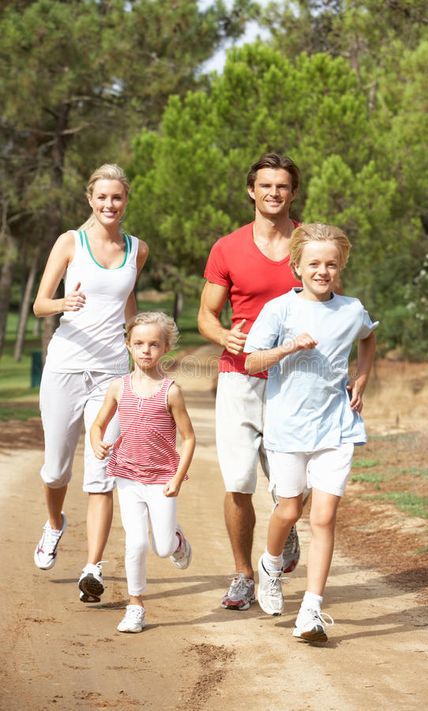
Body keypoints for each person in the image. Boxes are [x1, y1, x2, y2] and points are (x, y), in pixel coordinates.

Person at [244, 222, 377, 643]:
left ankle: (312, 611)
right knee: (288, 510)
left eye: (332, 264)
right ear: (296, 264)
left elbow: (368, 339)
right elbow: (251, 362)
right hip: (287, 426)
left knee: (324, 516)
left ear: (341, 267)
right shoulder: (280, 310)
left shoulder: (352, 309)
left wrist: (362, 377)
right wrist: (288, 348)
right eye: (314, 263)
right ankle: (270, 564)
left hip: (336, 426)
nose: (323, 271)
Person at [33, 163, 149, 603]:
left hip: (110, 373)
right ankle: (54, 523)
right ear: (90, 199)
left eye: (116, 197)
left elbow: (128, 302)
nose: (109, 204)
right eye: (102, 197)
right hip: (65, 366)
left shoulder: (137, 249)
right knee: (56, 469)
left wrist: (142, 344)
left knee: (101, 472)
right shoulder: (69, 242)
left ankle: (93, 567)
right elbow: (41, 305)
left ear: (125, 200)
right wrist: (66, 300)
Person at [198, 153, 303, 611]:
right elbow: (206, 314)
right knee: (239, 480)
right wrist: (224, 335)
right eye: (266, 186)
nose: (273, 194)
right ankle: (243, 574)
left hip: (294, 379)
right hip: (239, 376)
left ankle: (286, 525)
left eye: (282, 186)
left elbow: (327, 299)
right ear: (251, 190)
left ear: (292, 192)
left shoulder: (307, 243)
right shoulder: (228, 247)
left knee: (288, 481)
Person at [90, 312, 195, 633]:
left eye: (153, 344)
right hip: (127, 477)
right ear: (128, 346)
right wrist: (97, 442)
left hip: (162, 480)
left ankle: (176, 540)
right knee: (135, 543)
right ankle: (135, 605)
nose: (146, 350)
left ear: (165, 348)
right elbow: (98, 424)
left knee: (161, 548)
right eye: (139, 344)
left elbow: (189, 438)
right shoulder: (118, 388)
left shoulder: (170, 391)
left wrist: (177, 478)